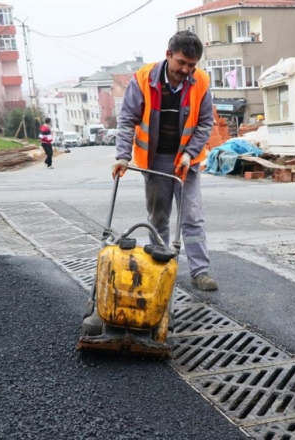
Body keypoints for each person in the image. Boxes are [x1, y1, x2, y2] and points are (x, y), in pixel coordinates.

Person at [113, 31, 217, 292]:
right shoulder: (143, 79)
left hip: (187, 160)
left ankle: (199, 271)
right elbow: (127, 121)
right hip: (155, 158)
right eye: (181, 62)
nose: (186, 70)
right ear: (168, 54)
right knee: (159, 216)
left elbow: (205, 123)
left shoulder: (201, 81)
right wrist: (123, 156)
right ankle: (161, 268)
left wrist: (189, 153)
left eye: (192, 65)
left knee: (191, 215)